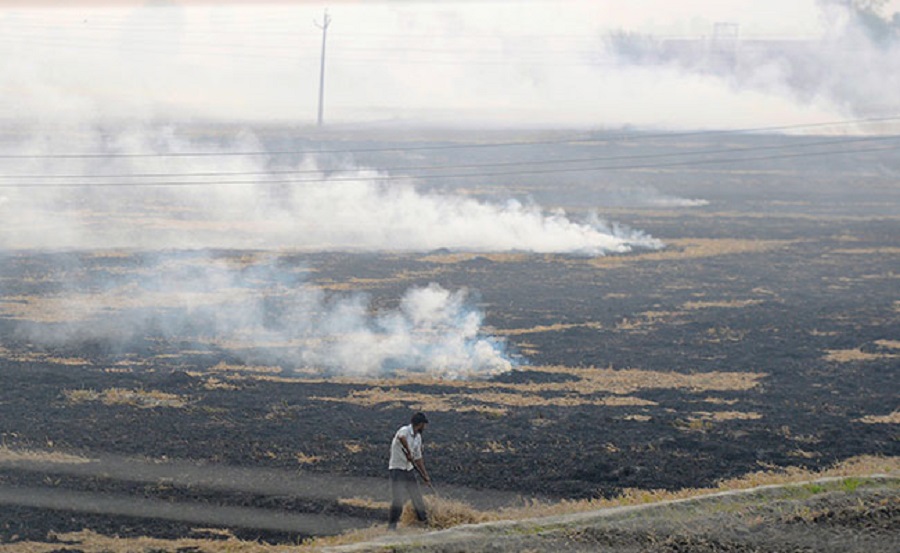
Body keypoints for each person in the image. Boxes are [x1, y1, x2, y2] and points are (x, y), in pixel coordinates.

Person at [387, 412, 431, 529]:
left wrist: (425, 475)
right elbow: (401, 438)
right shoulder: (404, 430)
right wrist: (408, 451)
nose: (425, 427)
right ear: (420, 424)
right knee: (398, 500)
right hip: (397, 469)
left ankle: (424, 523)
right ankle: (391, 527)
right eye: (424, 425)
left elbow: (418, 458)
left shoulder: (418, 437)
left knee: (417, 497)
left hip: (408, 469)